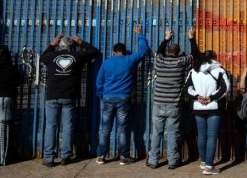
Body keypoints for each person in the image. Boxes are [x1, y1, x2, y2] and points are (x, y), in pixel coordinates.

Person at [40, 34, 100, 167]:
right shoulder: (77, 56)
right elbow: (95, 51)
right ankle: (65, 156)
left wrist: (52, 44)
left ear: (60, 45)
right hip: (69, 95)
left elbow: (42, 57)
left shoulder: (51, 56)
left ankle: (49, 158)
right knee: (68, 126)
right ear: (72, 46)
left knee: (51, 126)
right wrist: (81, 42)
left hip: (52, 95)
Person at [147, 27, 200, 169]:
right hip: (174, 105)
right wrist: (191, 38)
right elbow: (195, 55)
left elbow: (158, 52)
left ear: (167, 52)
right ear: (178, 53)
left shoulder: (160, 61)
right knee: (173, 134)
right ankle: (173, 161)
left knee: (156, 133)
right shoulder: (181, 62)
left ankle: (153, 160)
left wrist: (166, 38)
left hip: (158, 104)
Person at [95, 24, 149, 166]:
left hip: (107, 98)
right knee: (122, 128)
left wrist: (101, 94)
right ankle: (123, 157)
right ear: (124, 52)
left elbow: (99, 81)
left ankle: (101, 156)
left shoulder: (106, 63)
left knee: (105, 128)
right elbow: (144, 50)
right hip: (123, 98)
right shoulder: (129, 60)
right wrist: (139, 34)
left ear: (113, 52)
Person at [185, 50, 230, 175]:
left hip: (198, 107)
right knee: (212, 136)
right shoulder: (219, 70)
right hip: (214, 107)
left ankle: (204, 161)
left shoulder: (193, 71)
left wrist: (197, 97)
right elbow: (225, 88)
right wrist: (211, 98)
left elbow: (187, 88)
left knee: (202, 135)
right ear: (214, 58)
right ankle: (209, 166)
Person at [0, 45, 23, 165]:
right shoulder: (11, 68)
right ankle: (3, 158)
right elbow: (20, 80)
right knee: (4, 128)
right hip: (6, 99)